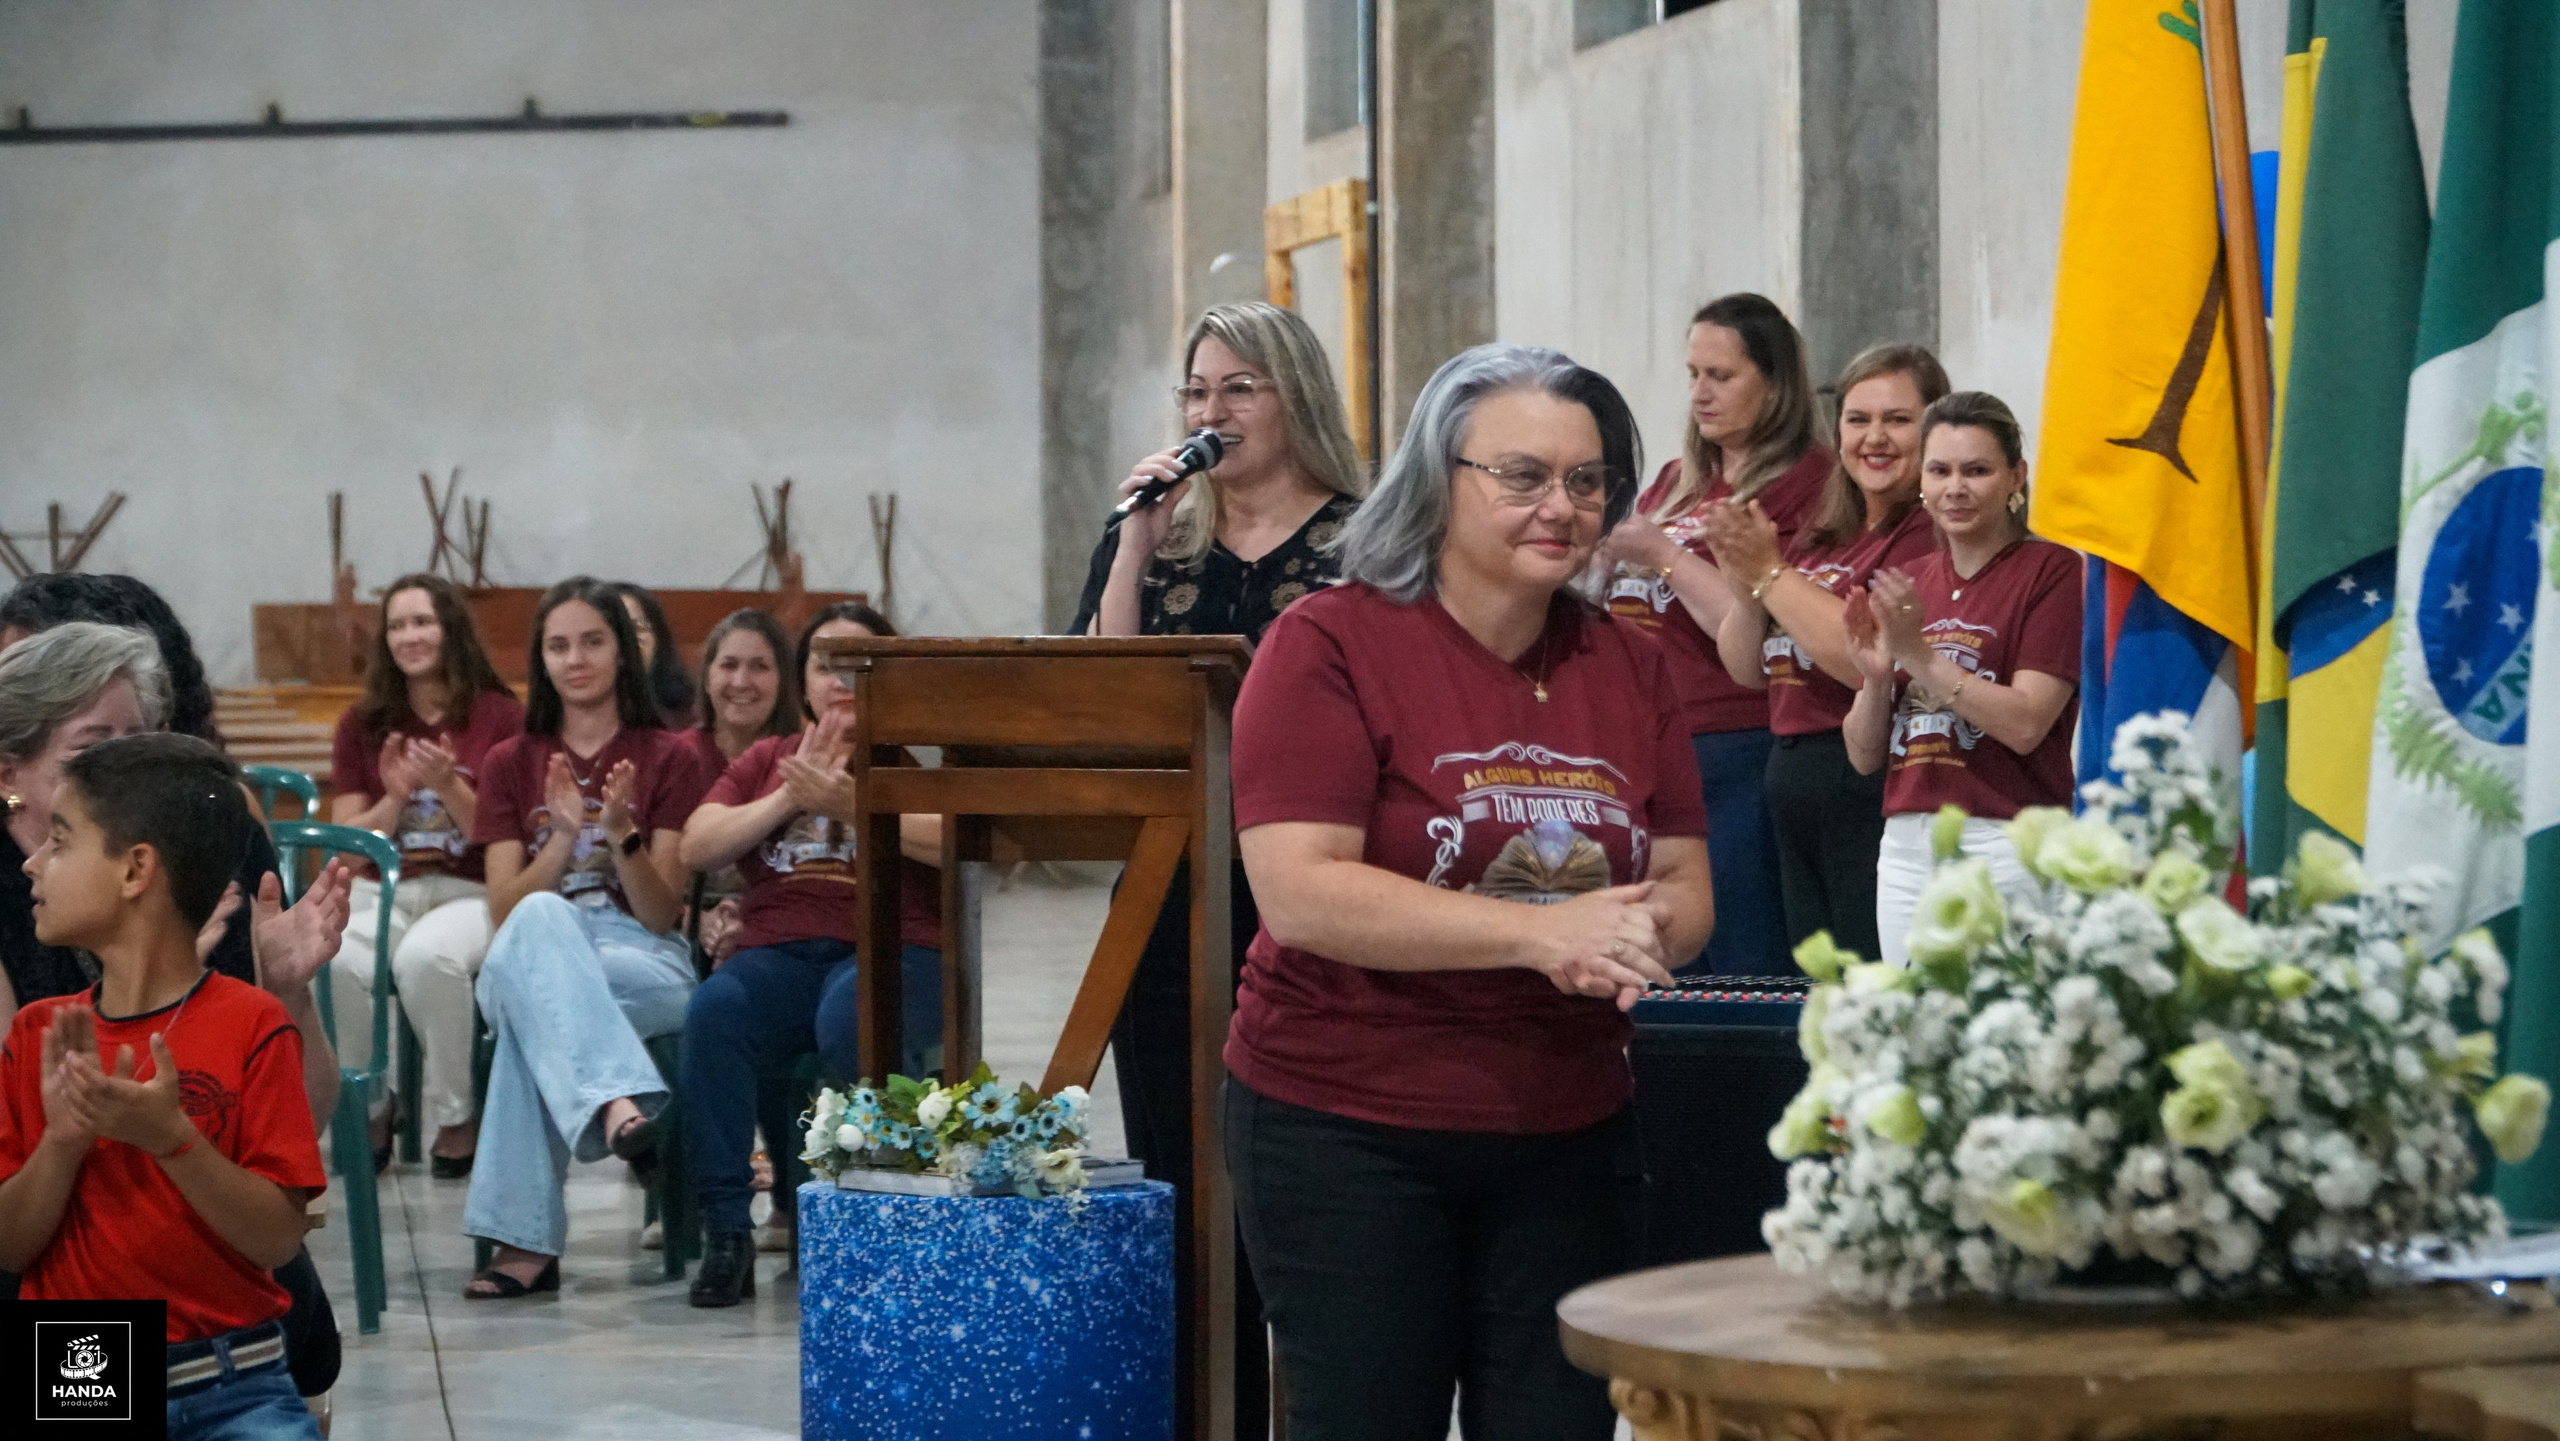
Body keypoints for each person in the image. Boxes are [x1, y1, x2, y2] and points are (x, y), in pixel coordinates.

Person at [1228, 343, 1715, 1438]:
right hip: (1349, 1121)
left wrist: (1631, 933)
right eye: (1522, 476)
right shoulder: (1328, 643)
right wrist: (1543, 935)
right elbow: (1301, 892)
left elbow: (1685, 883)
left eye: (1586, 480)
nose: (1562, 506)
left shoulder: (1630, 665)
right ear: (1436, 481)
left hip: (1569, 1120)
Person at [1067, 299, 1368, 1438]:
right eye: (1197, 390)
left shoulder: (1362, 540)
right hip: (1170, 875)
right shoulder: (1159, 542)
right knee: (1184, 1168)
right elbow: (1096, 704)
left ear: (1297, 397)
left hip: (1311, 882)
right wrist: (1133, 546)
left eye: (1239, 387)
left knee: (1304, 1168)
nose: (1212, 411)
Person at [0, 622, 353, 1411]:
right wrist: (71, 1124)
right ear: (10, 771)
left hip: (225, 1336)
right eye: (94, 747)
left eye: (140, 737)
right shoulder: (40, 1007)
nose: (132, 768)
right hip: (79, 1324)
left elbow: (294, 1143)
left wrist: (285, 992)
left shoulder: (205, 848)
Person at [675, 600, 944, 1307]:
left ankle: (871, 1227)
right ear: (805, 679)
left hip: (895, 947)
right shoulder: (767, 759)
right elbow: (696, 845)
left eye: (860, 664)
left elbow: (967, 845)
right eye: (826, 663)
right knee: (714, 1011)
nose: (840, 679)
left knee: (849, 1014)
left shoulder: (915, 759)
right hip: (780, 953)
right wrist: (790, 798)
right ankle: (727, 1231)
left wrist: (853, 803)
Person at [461, 577, 715, 1298]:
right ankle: (616, 1103)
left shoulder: (670, 755)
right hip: (531, 947)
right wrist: (562, 837)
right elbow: (504, 912)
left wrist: (622, 834)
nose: (575, 659)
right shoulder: (510, 761)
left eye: (593, 641)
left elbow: (661, 914)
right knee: (543, 922)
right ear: (540, 659)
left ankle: (523, 1246)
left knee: (532, 1021)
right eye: (559, 645)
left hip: (642, 957)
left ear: (623, 651)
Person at [1599, 294, 1828, 975]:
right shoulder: (1678, 479)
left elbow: (1760, 620)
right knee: (1653, 945)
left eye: (1721, 376)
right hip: (1640, 737)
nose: (1700, 393)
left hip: (1732, 739)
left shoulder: (1807, 484)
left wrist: (1664, 555)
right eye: (1693, 374)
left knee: (1735, 951)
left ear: (1775, 382)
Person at [1700, 345, 1949, 959]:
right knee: (1819, 988)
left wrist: (1770, 573)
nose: (1875, 438)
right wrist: (1747, 586)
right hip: (1792, 774)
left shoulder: (1928, 536)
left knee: (1870, 976)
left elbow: (1861, 658)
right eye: (1858, 420)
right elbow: (1748, 669)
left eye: (1897, 419)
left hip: (1866, 775)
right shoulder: (1824, 534)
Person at [1843, 392, 2082, 966]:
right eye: (1940, 471)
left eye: (1976, 471)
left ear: (2016, 477)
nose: (1955, 488)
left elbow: (2026, 723)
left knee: (2001, 1019)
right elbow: (1864, 755)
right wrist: (1878, 679)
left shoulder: (2051, 570)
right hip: (1906, 844)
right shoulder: (1909, 579)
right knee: (1911, 1015)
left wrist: (1919, 657)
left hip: (2004, 839)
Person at [326, 573, 524, 1178]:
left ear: (451, 629)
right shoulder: (361, 723)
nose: (409, 636)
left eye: (423, 622)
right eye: (397, 626)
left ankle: (455, 1115)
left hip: (470, 889)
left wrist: (446, 786)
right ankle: (373, 1106)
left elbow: (505, 837)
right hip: (382, 889)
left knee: (425, 959)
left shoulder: (501, 716)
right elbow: (346, 853)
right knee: (333, 959)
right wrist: (393, 799)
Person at [679, 608, 799, 965]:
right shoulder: (675, 758)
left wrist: (749, 921)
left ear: (784, 681)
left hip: (779, 931)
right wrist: (694, 919)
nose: (742, 681)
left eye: (760, 667)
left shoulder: (804, 759)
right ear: (707, 677)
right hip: (678, 933)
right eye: (728, 665)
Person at [612, 582, 700, 730]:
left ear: (658, 637)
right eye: (617, 630)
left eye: (637, 628)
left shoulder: (691, 714)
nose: (627, 641)